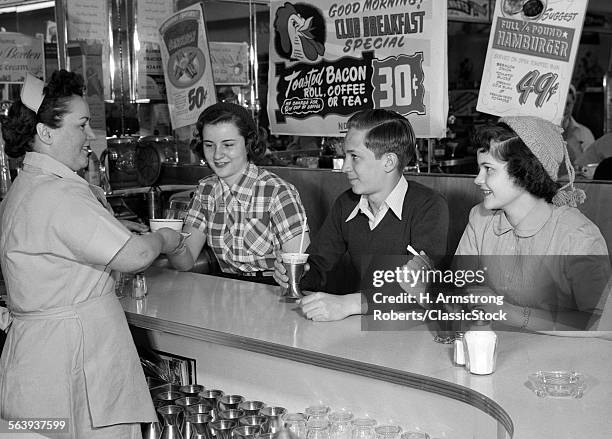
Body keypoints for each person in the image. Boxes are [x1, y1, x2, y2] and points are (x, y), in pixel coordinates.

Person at [0, 70, 183, 437]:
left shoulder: (27, 186)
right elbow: (133, 257)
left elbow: (61, 242)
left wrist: (116, 232)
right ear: (45, 132)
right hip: (77, 361)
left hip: (32, 366)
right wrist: (163, 239)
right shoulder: (59, 194)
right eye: (82, 124)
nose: (92, 135)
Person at [274, 109, 449, 321]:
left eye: (354, 157)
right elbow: (319, 266)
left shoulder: (429, 206)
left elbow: (421, 285)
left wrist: (347, 304)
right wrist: (294, 275)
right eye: (345, 155)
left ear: (389, 162)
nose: (345, 167)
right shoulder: (346, 203)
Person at [455, 116, 611, 332]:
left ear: (524, 172)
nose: (477, 179)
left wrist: (510, 312)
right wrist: (427, 291)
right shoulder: (479, 218)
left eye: (488, 169)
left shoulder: (578, 236)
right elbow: (460, 291)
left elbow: (599, 324)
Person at [169, 102, 309, 282]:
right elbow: (186, 262)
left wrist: (287, 274)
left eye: (228, 145)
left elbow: (301, 269)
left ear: (248, 144)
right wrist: (168, 241)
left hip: (273, 289)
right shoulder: (206, 190)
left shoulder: (277, 192)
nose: (217, 155)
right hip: (226, 289)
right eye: (209, 145)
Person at [562, 84, 595, 166]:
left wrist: (575, 148)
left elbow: (590, 168)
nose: (564, 109)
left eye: (567, 104)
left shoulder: (585, 133)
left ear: (573, 104)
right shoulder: (538, 130)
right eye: (561, 104)